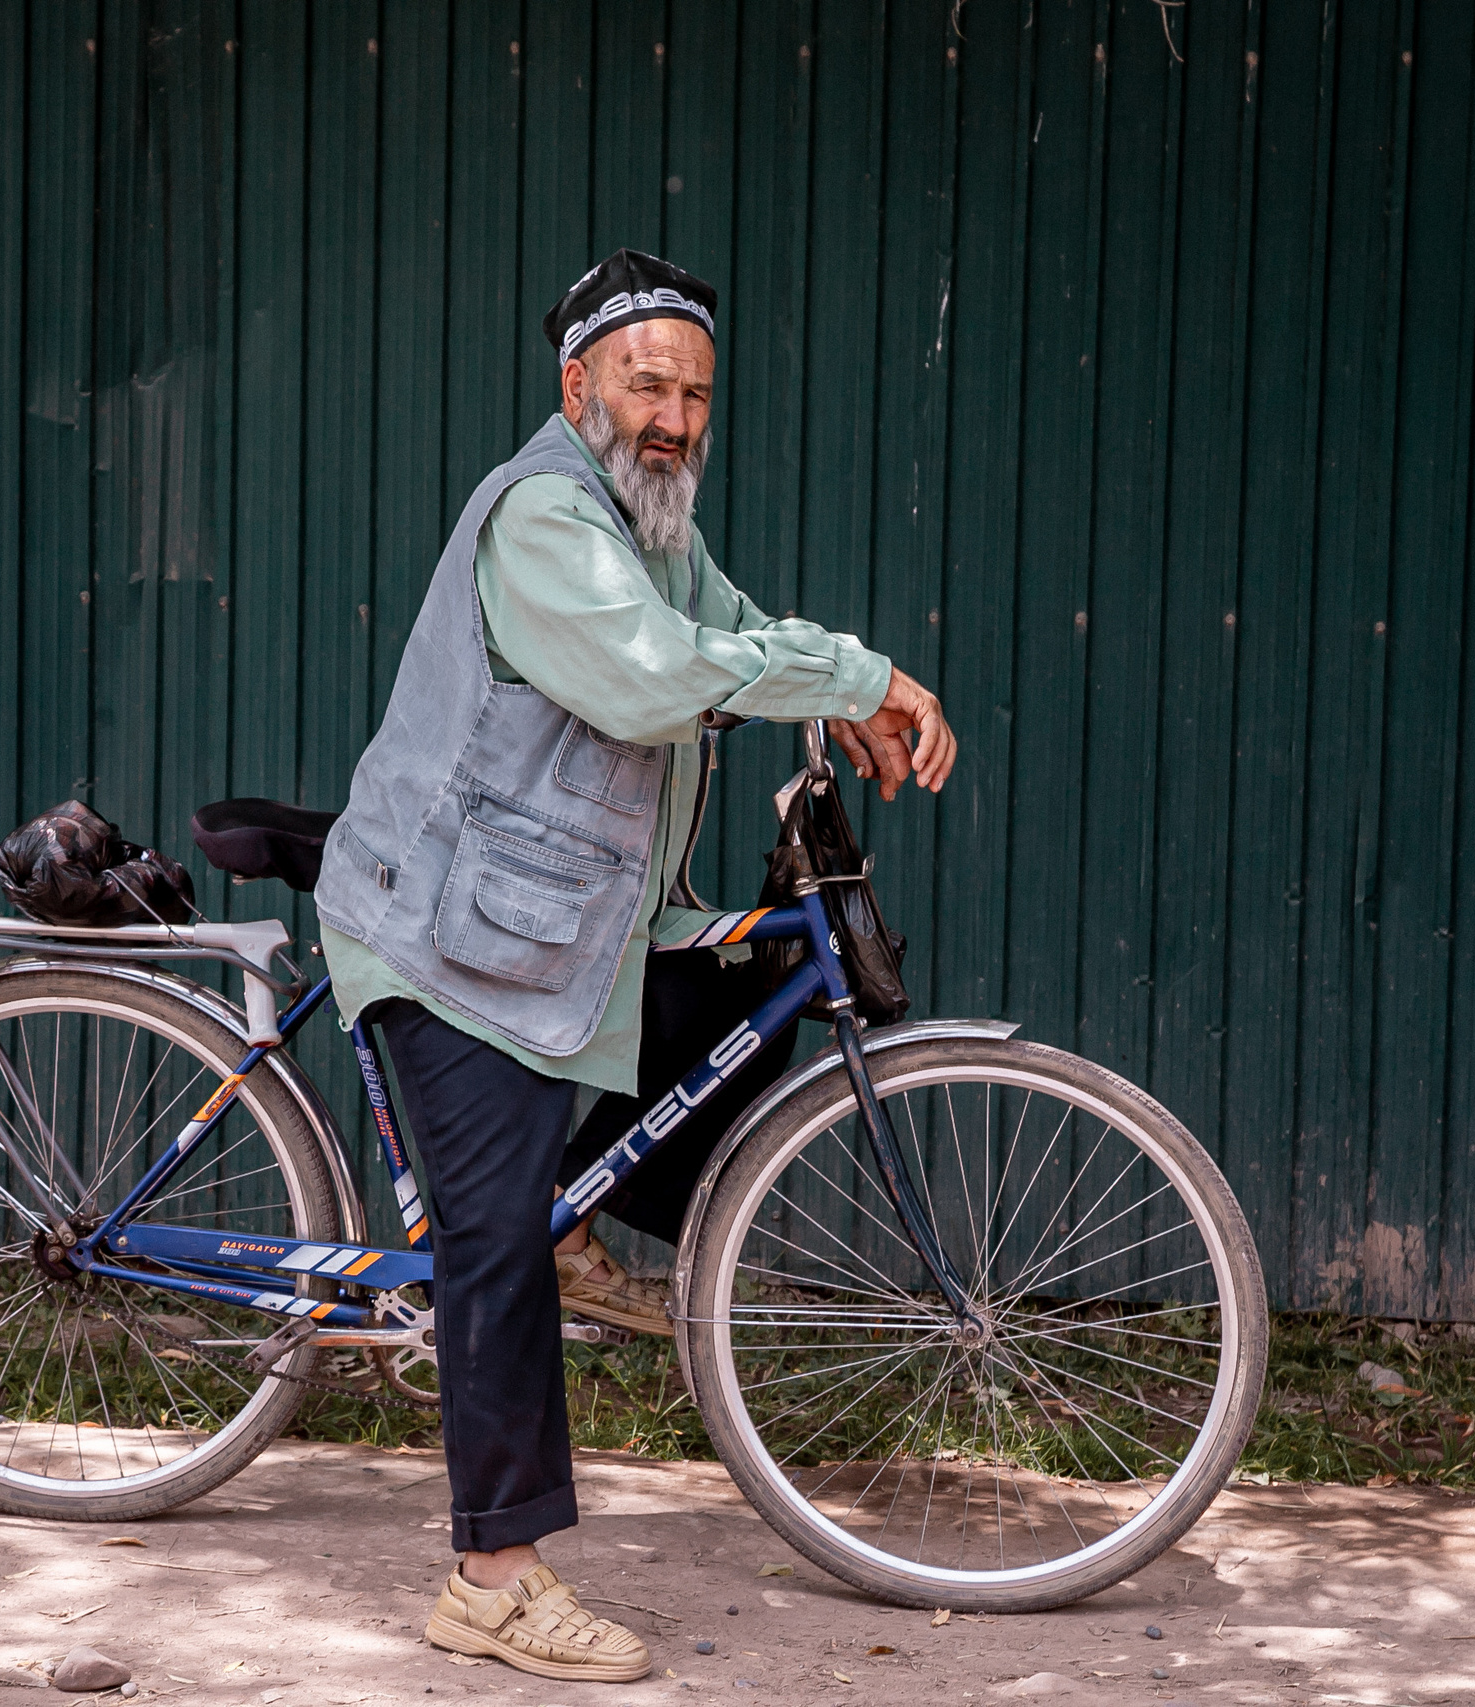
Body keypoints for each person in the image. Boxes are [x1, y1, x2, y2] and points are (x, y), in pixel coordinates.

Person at [314, 247, 957, 1684]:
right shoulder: (547, 515)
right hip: (449, 937)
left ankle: (580, 1218)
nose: (671, 415)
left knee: (742, 988)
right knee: (487, 1236)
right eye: (643, 382)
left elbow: (717, 632)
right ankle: (493, 1576)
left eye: (694, 394)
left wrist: (820, 688)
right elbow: (655, 675)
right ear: (578, 385)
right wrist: (858, 678)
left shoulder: (652, 523)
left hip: (550, 922)